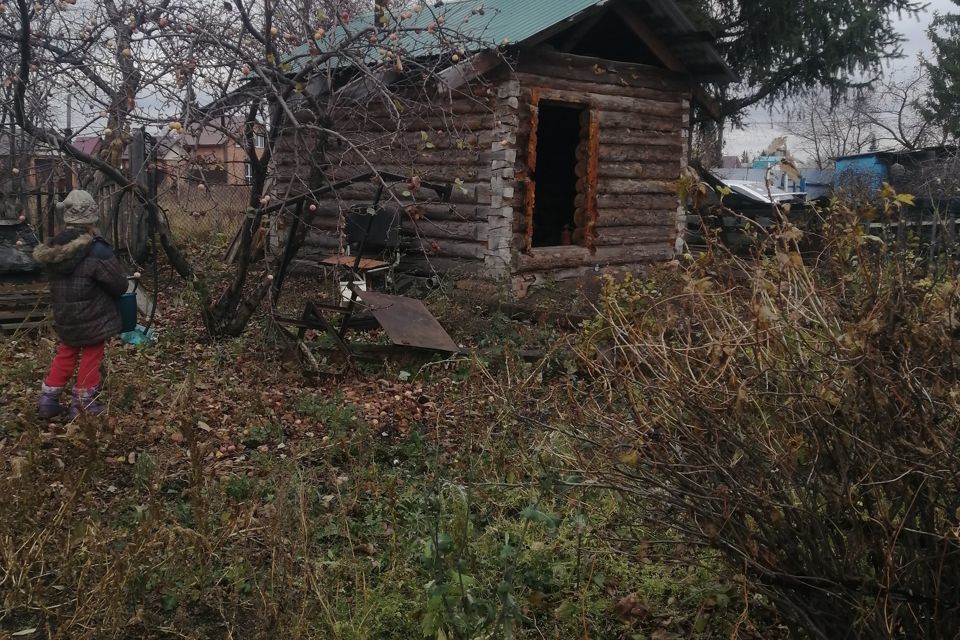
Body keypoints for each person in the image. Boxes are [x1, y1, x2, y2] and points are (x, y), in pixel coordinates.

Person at [32, 190, 129, 419]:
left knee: (67, 351)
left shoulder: (54, 249)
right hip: (93, 317)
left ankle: (48, 400)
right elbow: (119, 285)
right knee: (92, 353)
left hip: (65, 315)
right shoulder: (98, 250)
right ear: (91, 218)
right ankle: (84, 402)